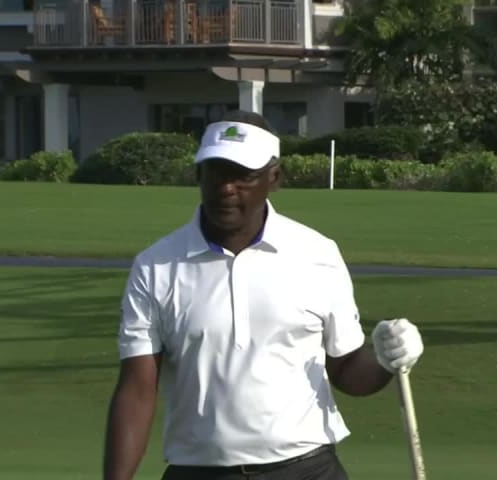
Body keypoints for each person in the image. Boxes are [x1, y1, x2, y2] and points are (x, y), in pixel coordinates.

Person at [102, 110, 425, 480]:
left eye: (243, 175)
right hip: (200, 472)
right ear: (198, 175)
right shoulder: (156, 266)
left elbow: (347, 370)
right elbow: (137, 391)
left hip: (306, 470)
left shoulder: (317, 255)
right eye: (216, 172)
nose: (226, 187)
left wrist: (386, 360)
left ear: (274, 178)